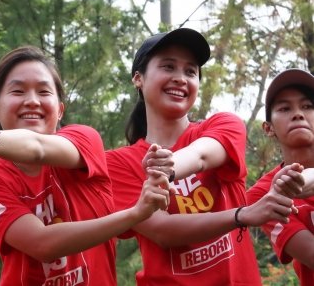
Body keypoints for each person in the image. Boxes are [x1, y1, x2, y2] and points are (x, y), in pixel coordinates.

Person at [0, 46, 171, 285]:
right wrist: (134, 214)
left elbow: (37, 149)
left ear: (60, 109)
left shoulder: (85, 140)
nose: (32, 101)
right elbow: (41, 243)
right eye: (18, 91)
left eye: (44, 92)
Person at [106, 28, 295, 285]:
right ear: (138, 78)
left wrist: (166, 168)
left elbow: (202, 155)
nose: (180, 78)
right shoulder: (119, 163)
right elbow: (163, 231)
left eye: (190, 71)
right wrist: (240, 215)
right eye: (168, 67)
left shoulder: (224, 124)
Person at [247, 68, 314, 285]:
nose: (298, 113)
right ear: (268, 128)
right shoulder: (263, 192)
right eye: (285, 108)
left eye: (307, 106)